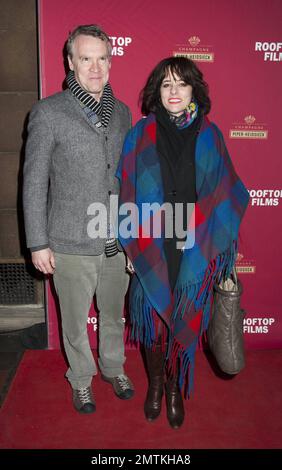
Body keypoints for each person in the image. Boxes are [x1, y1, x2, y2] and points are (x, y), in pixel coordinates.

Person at [117, 57, 249, 428]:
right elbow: (129, 193)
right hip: (153, 239)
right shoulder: (139, 135)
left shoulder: (211, 135)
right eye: (166, 84)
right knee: (155, 323)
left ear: (194, 90)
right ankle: (156, 385)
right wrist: (132, 245)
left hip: (195, 242)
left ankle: (175, 390)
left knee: (184, 317)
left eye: (181, 83)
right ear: (156, 92)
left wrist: (222, 246)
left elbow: (226, 194)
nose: (174, 91)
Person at [23, 24, 134, 414]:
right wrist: (38, 242)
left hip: (115, 240)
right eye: (86, 58)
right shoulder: (48, 112)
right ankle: (81, 380)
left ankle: (114, 366)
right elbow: (34, 181)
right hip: (69, 240)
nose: (95, 67)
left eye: (102, 58)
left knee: (112, 313)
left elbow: (131, 179)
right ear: (70, 62)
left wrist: (133, 237)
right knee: (74, 321)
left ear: (110, 61)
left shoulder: (122, 112)